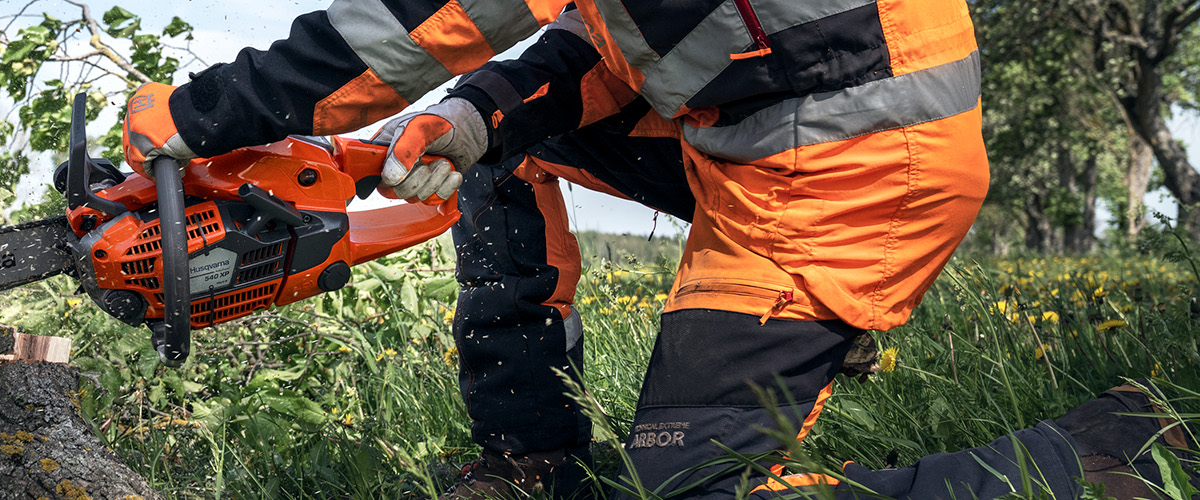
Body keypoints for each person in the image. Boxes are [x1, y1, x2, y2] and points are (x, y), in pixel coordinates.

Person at [121, 0, 1197, 499]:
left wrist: (206, 113)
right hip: (764, 126)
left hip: (848, 167)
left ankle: (1089, 456)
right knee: (497, 137)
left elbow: (425, 18)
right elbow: (606, 34)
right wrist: (479, 114)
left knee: (692, 491)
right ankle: (532, 460)